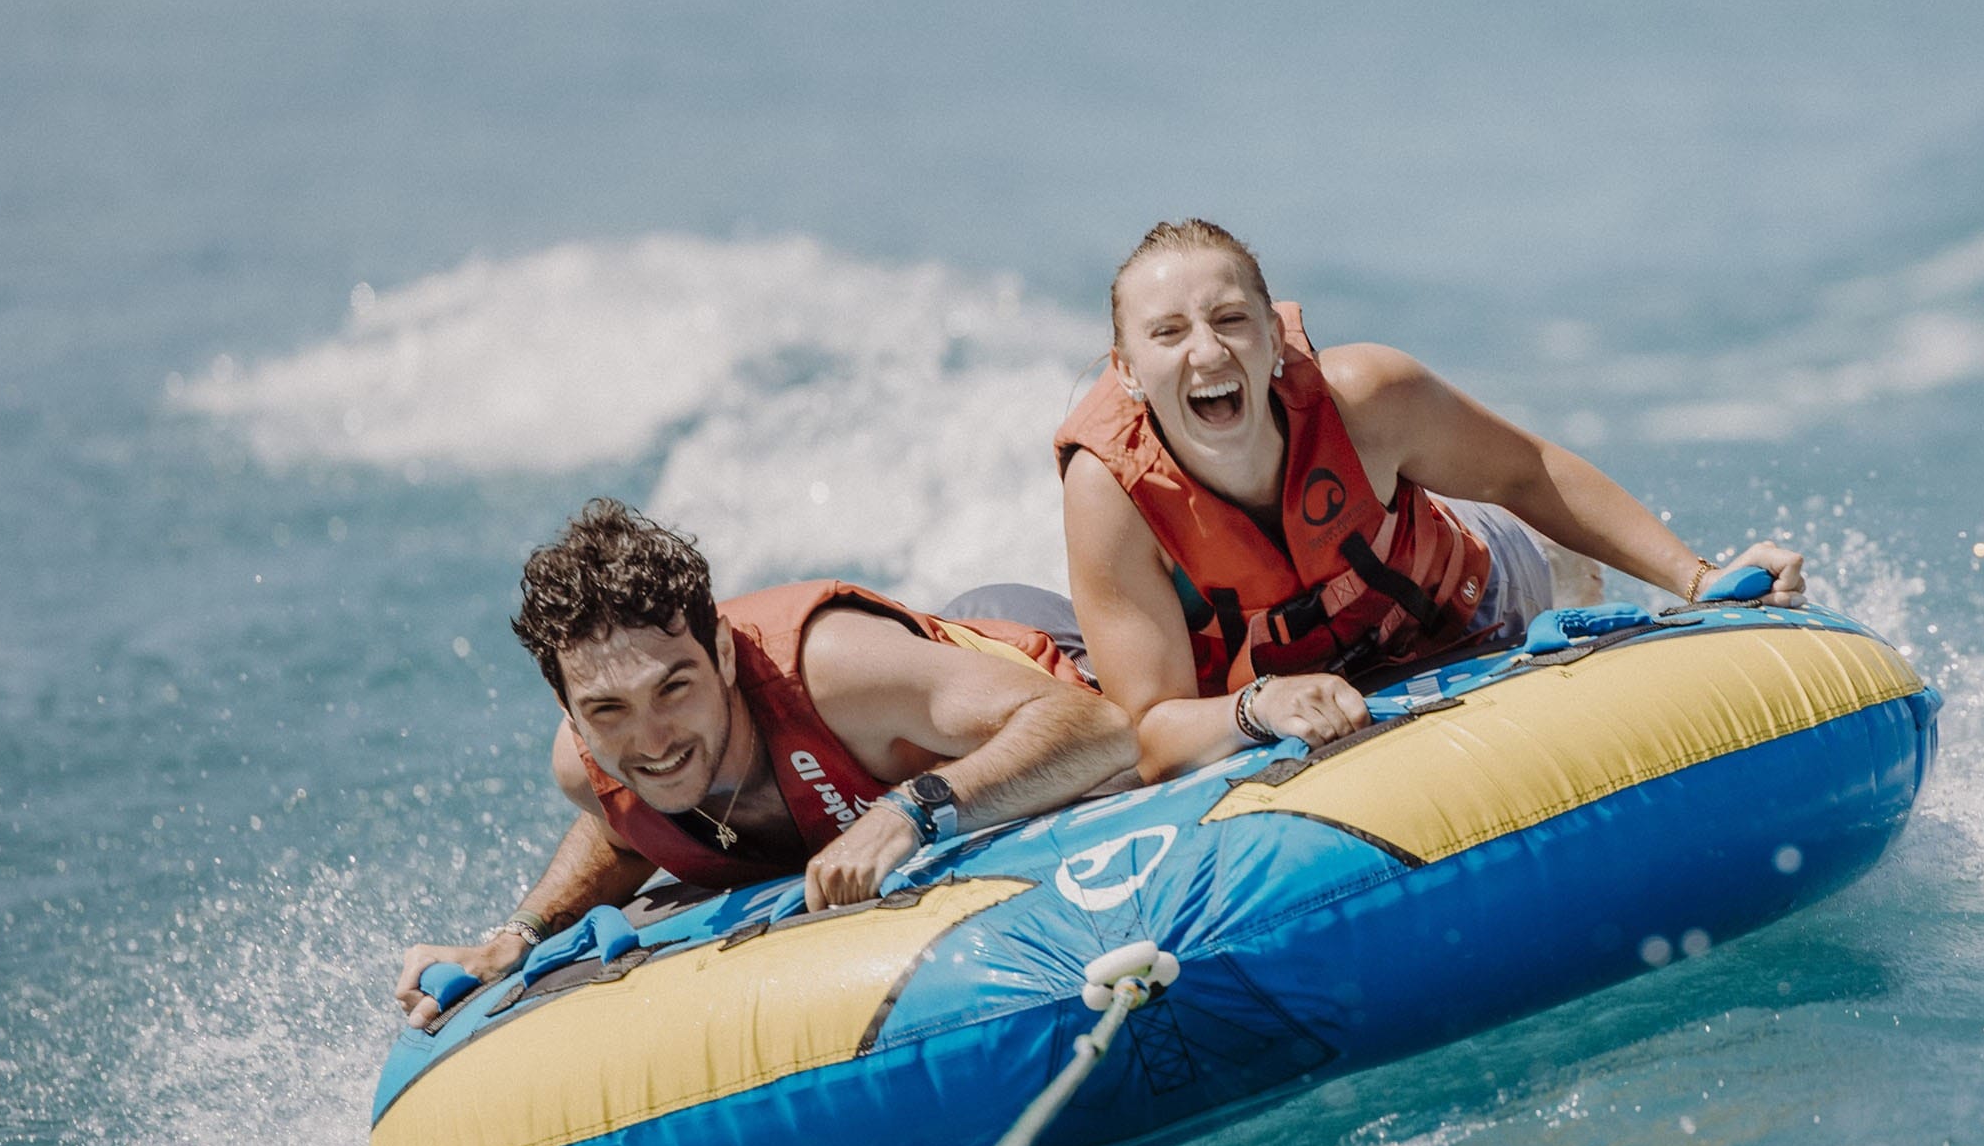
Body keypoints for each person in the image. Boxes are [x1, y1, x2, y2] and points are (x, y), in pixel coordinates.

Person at [1058, 219, 1807, 782]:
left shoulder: (1367, 399)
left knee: (1546, 556)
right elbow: (1151, 730)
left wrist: (1698, 579)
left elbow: (1528, 474)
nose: (1209, 352)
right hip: (1299, 692)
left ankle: (1568, 570)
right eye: (1169, 332)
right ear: (1126, 371)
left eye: (1230, 320)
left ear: (1274, 338)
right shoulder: (1113, 494)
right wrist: (1260, 709)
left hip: (1471, 592)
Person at [391, 499, 1135, 1027]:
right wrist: (519, 933)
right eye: (607, 710)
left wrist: (910, 809)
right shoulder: (590, 765)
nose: (651, 740)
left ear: (721, 653)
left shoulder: (830, 672)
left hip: (1048, 657)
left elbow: (1102, 728)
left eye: (673, 688)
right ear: (568, 708)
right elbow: (622, 832)